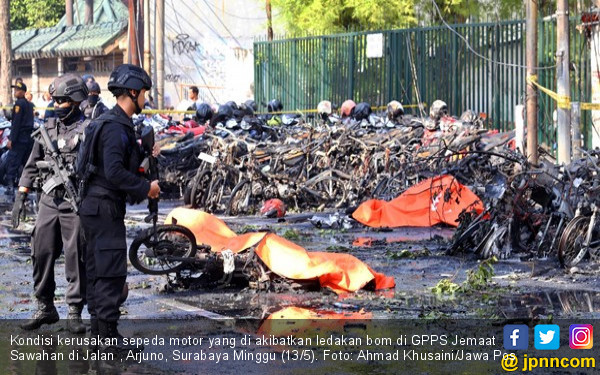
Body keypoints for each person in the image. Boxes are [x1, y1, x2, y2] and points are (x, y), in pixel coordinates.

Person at [79, 64, 159, 350]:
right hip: (103, 209)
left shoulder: (114, 123)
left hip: (96, 208)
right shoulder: (115, 127)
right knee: (110, 271)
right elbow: (113, 172)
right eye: (144, 94)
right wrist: (145, 188)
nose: (145, 100)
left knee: (98, 270)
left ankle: (98, 335)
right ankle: (109, 338)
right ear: (133, 92)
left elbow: (118, 166)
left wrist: (145, 155)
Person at [14, 74, 89, 334]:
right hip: (48, 199)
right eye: (55, 100)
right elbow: (32, 165)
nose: (57, 105)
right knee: (41, 250)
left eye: (63, 101)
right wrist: (21, 194)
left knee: (75, 254)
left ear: (76, 101)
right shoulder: (46, 129)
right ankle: (45, 307)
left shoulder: (88, 130)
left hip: (74, 202)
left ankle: (75, 311)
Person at [4, 81, 34, 194]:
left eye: (17, 90)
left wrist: (11, 139)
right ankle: (27, 186)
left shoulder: (18, 105)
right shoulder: (30, 105)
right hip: (28, 139)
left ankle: (10, 186)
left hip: (19, 139)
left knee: (13, 162)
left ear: (22, 92)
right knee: (26, 163)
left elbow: (16, 124)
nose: (15, 92)